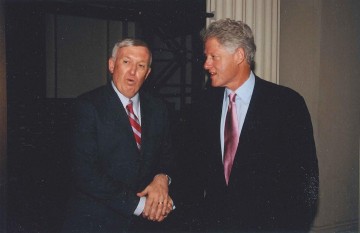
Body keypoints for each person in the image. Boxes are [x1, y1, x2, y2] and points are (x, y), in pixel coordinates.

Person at [190, 19, 319, 232]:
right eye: (206, 57)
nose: (206, 64)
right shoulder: (204, 104)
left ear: (239, 55)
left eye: (214, 57)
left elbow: (306, 184)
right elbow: (193, 172)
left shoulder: (286, 104)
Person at [62, 38, 175, 233]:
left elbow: (168, 156)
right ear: (112, 65)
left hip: (145, 226)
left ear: (147, 74)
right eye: (126, 62)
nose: (132, 72)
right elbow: (85, 173)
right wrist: (140, 206)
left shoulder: (158, 108)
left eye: (140, 66)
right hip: (96, 222)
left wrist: (162, 177)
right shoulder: (87, 107)